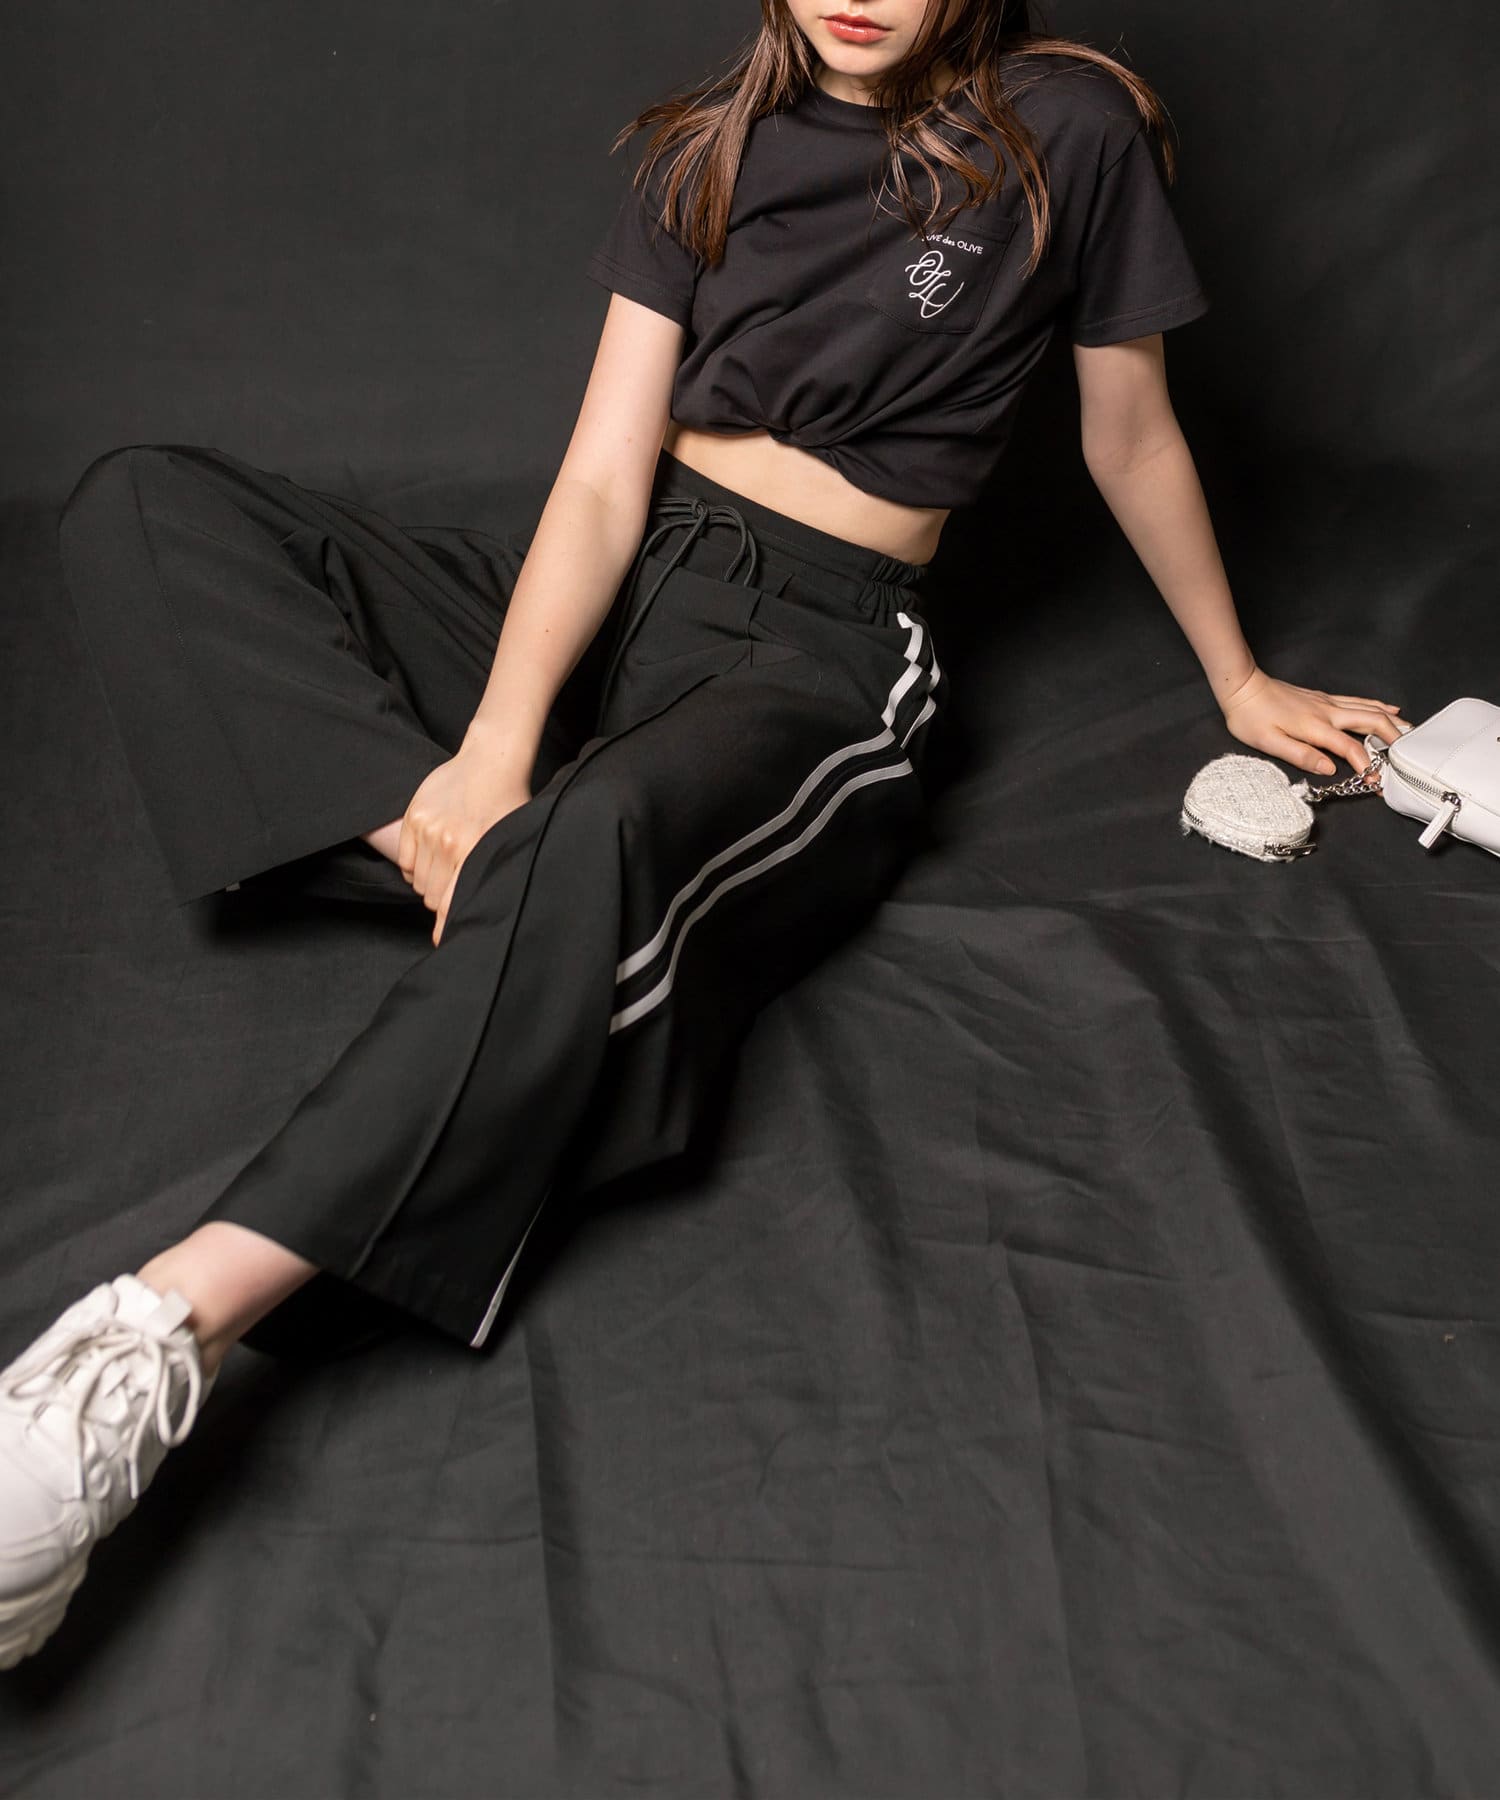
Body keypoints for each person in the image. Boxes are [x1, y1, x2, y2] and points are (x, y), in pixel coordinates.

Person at [0, 0, 1410, 1670]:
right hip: (618, 591)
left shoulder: (1069, 129)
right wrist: (489, 752)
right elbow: (603, 481)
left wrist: (1238, 676)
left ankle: (145, 1344)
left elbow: (1130, 429)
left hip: (816, 651)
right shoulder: (703, 148)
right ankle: (495, 873)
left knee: (602, 827)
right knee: (150, 504)